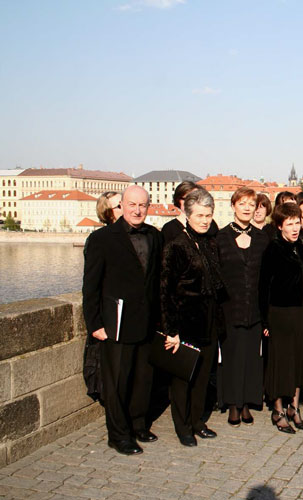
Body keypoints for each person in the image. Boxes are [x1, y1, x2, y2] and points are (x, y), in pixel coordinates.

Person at [82, 186, 162, 455]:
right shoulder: (101, 239)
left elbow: (156, 281)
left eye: (143, 205)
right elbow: (90, 286)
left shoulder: (154, 236)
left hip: (147, 320)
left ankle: (138, 424)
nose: (138, 210)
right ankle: (118, 435)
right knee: (116, 383)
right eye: (132, 205)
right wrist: (94, 325)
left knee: (143, 379)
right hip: (115, 322)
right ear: (122, 206)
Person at [161, 189, 224, 447]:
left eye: (208, 215)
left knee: (202, 377)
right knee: (183, 378)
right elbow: (165, 292)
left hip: (208, 320)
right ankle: (183, 426)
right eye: (199, 215)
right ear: (187, 215)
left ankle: (198, 421)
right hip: (185, 321)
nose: (204, 220)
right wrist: (171, 330)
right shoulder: (176, 246)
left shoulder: (210, 242)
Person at [215, 187, 268, 427]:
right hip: (230, 308)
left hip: (255, 308)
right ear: (233, 206)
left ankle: (247, 402)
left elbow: (267, 279)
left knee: (250, 357)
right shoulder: (221, 237)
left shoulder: (262, 239)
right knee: (232, 357)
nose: (247, 208)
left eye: (251, 204)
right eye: (242, 203)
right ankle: (233, 404)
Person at [259, 202, 303, 433]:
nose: (294, 228)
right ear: (280, 225)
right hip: (278, 313)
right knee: (281, 363)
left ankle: (294, 407)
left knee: (299, 360)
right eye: (289, 224)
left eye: (297, 223)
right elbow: (263, 287)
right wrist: (265, 321)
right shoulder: (273, 248)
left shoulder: (301, 246)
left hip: (300, 313)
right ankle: (278, 409)